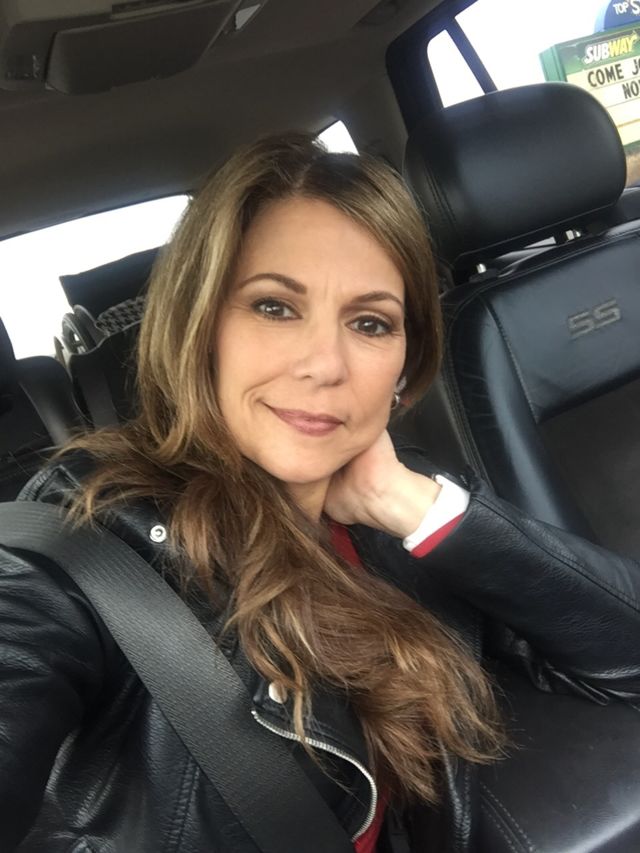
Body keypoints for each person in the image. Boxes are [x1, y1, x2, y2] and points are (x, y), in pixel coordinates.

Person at [2, 131, 640, 853]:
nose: (325, 364)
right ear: (199, 328)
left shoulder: (400, 517)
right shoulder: (85, 548)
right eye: (275, 307)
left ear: (404, 367)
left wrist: (409, 503)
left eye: (370, 323)